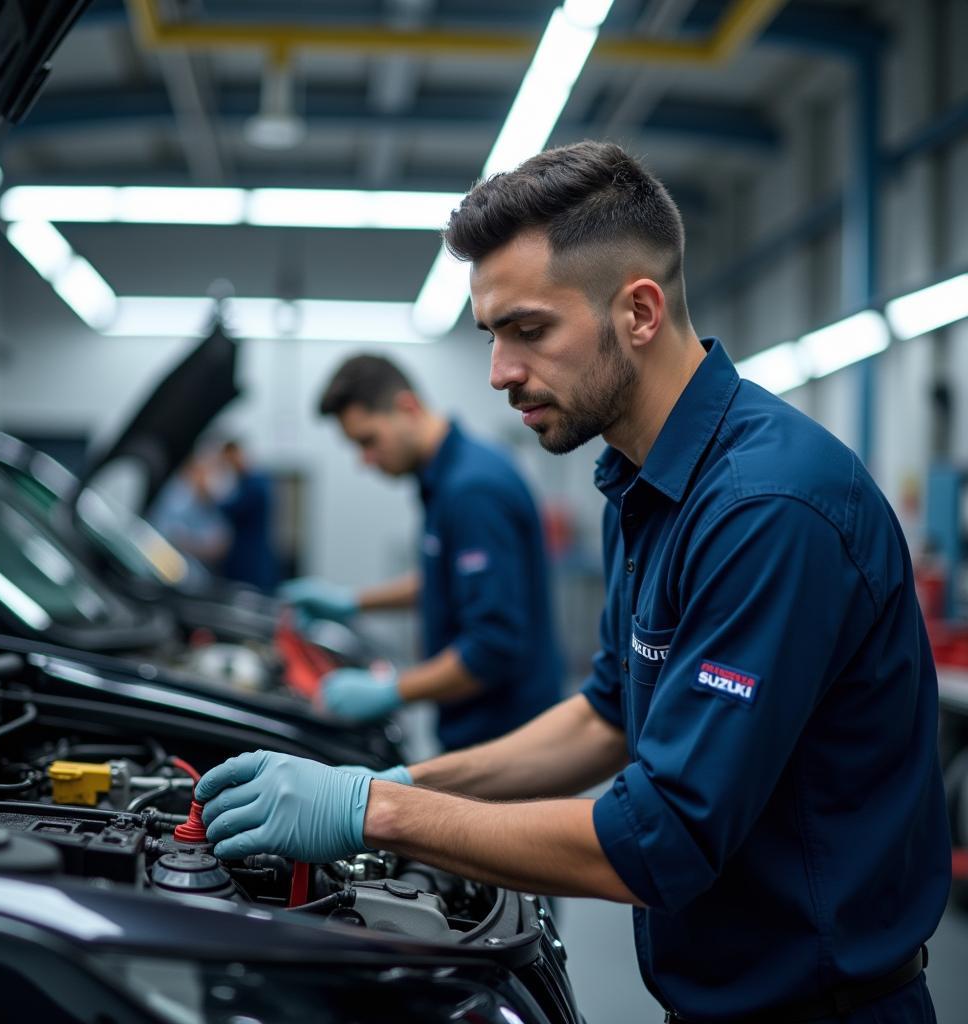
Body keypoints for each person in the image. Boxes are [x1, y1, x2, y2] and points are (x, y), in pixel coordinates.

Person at [196, 142, 951, 1022]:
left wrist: (378, 812)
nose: (499, 373)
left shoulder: (767, 508)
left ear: (638, 311)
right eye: (491, 335)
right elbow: (603, 718)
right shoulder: (638, 480)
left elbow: (657, 841)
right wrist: (416, 782)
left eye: (529, 330)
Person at [282, 354, 563, 751]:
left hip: (507, 740)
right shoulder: (447, 476)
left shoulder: (472, 490)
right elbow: (446, 581)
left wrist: (392, 689)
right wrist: (350, 602)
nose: (365, 461)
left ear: (407, 408)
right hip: (483, 728)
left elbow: (492, 648)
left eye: (368, 441)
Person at [208, 440, 278, 592]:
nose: (229, 466)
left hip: (251, 558)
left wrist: (209, 495)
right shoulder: (247, 481)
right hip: (246, 555)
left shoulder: (255, 483)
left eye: (228, 460)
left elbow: (234, 508)